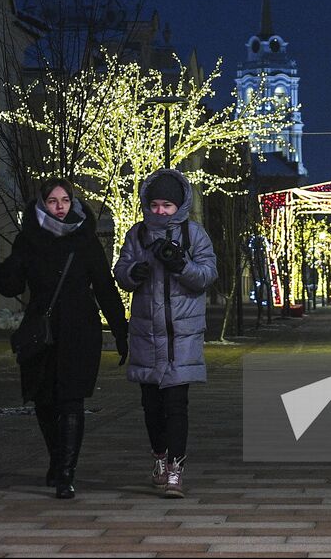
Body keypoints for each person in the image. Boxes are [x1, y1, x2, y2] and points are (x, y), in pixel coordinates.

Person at [0, 179, 128, 499]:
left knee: (71, 401)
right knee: (43, 400)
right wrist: (9, 267)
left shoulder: (85, 239)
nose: (59, 206)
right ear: (42, 204)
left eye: (65, 200)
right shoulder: (29, 239)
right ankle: (57, 458)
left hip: (80, 330)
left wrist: (121, 330)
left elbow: (105, 288)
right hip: (43, 332)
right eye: (53, 201)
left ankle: (66, 472)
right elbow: (12, 286)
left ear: (72, 203)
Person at [114, 168, 217, 499]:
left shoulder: (194, 234)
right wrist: (133, 272)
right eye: (155, 204)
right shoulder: (138, 234)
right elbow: (121, 271)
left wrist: (180, 265)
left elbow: (207, 274)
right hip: (146, 334)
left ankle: (176, 469)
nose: (160, 211)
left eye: (167, 206)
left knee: (177, 404)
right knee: (151, 406)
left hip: (181, 337)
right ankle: (159, 457)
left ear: (179, 205)